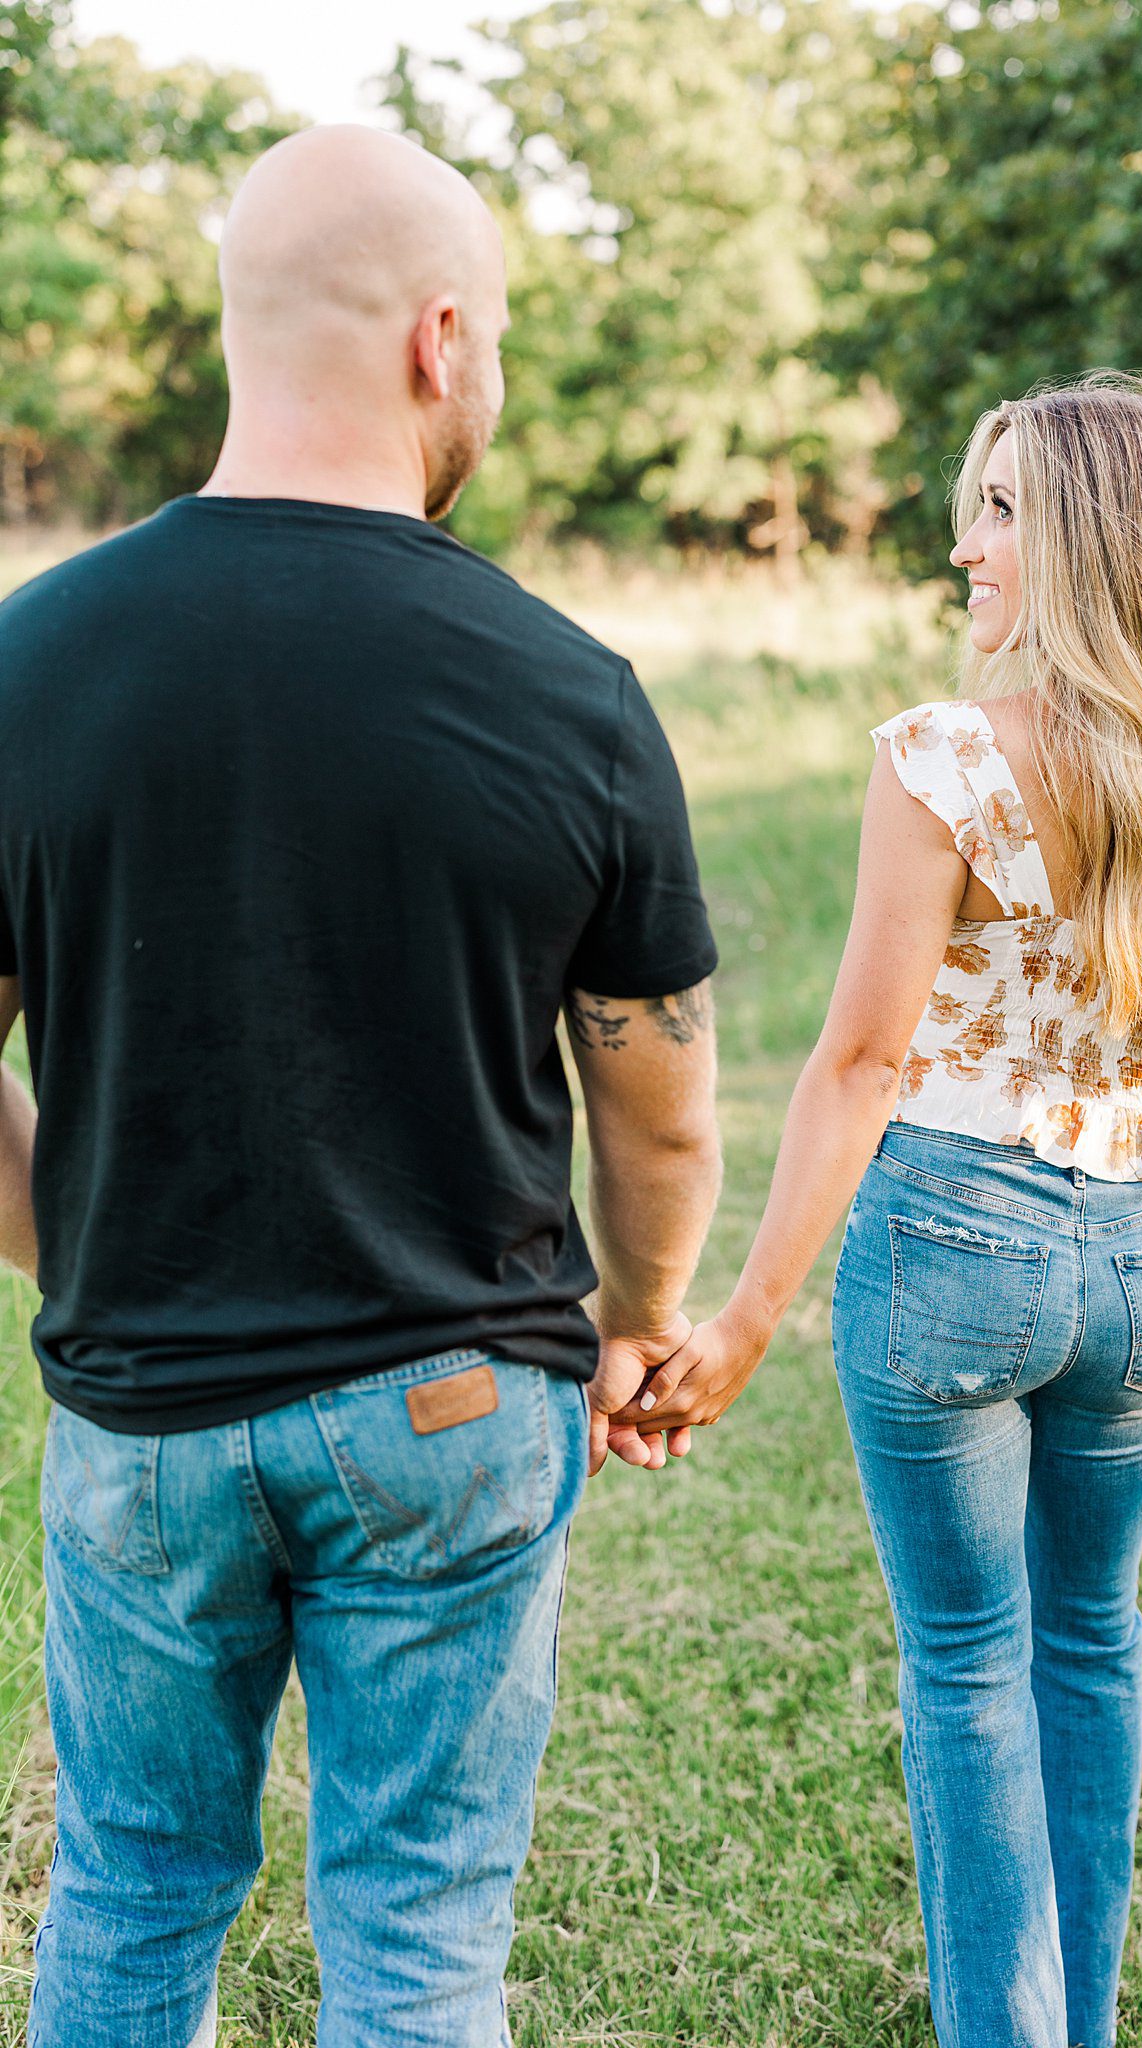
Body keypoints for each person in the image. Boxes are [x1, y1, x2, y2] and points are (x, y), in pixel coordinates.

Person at [0, 124, 720, 2047]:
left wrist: (74, 1228)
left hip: (139, 1406)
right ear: (437, 341)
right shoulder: (568, 687)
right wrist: (642, 1321)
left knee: (137, 1883)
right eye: (487, 347)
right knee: (416, 1938)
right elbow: (654, 1099)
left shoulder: (27, 662)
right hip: (458, 1393)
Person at [614, 373, 1142, 2046]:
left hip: (949, 1241)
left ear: (1094, 540)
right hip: (1141, 1244)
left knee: (966, 1667)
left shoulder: (945, 758)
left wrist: (740, 1320)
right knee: (1088, 1642)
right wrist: (1129, 1224)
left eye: (1003, 509)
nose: (965, 545)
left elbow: (862, 1060)